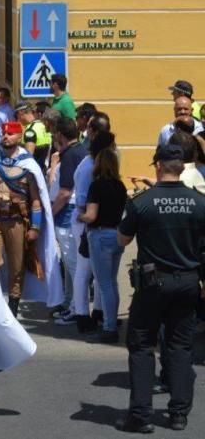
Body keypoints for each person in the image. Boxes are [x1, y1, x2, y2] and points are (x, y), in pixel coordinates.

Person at [116, 144, 205, 433]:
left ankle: (140, 416)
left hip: (153, 283)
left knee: (141, 345)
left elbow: (123, 240)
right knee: (180, 346)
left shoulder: (143, 201)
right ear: (182, 168)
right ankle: (179, 413)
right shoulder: (199, 201)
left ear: (157, 166)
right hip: (189, 281)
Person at [0, 120, 59, 317]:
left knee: (17, 265)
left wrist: (35, 228)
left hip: (17, 221)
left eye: (10, 134)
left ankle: (13, 305)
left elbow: (36, 200)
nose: (6, 136)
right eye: (4, 133)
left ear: (19, 137)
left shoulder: (28, 166)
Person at [78, 137, 127, 344]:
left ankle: (108, 328)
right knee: (111, 283)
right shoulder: (120, 186)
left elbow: (91, 215)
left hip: (99, 235)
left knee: (104, 283)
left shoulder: (96, 186)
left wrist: (79, 215)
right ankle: (111, 321)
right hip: (116, 234)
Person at [48, 118, 86, 323]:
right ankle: (71, 303)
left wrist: (50, 213)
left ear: (60, 135)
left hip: (66, 212)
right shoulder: (79, 151)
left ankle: (77, 310)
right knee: (72, 265)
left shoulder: (71, 155)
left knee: (73, 265)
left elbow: (64, 192)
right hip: (71, 210)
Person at [17, 102, 52, 171]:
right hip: (46, 169)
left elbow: (29, 157)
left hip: (35, 171)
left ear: (20, 113)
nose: (18, 119)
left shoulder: (30, 130)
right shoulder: (44, 125)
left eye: (16, 116)